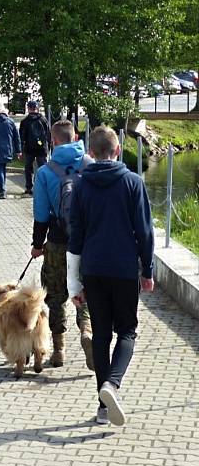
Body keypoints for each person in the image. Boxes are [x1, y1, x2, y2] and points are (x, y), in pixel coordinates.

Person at [67, 126, 155, 427]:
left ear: (90, 153)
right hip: (124, 268)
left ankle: (103, 409)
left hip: (92, 268)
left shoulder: (81, 185)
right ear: (117, 151)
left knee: (102, 335)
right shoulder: (132, 183)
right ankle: (112, 385)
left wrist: (73, 282)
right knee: (127, 331)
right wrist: (148, 269)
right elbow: (144, 230)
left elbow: (74, 235)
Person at [31, 120, 94, 370]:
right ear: (76, 136)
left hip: (57, 242)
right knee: (85, 290)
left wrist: (37, 245)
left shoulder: (46, 172)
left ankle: (58, 351)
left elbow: (41, 215)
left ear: (53, 140)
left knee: (55, 296)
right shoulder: (90, 165)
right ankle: (87, 330)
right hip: (87, 243)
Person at [19, 100, 52, 194]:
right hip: (41, 148)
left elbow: (22, 136)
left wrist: (21, 149)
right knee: (43, 167)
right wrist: (48, 146)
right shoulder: (43, 119)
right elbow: (48, 134)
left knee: (28, 168)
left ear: (28, 108)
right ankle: (43, 186)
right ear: (37, 108)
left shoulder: (25, 121)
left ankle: (29, 187)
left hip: (29, 148)